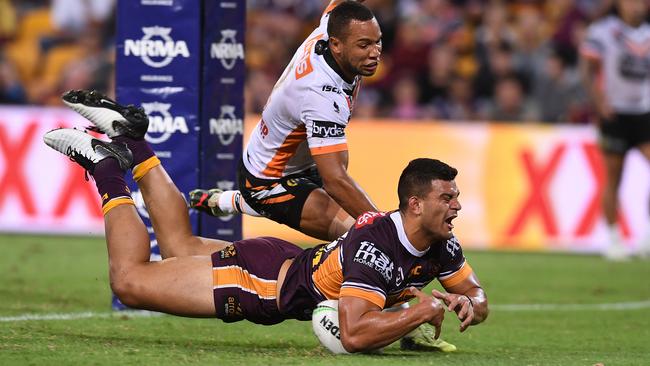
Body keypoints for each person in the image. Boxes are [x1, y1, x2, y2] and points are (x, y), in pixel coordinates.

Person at [42, 104, 488, 353]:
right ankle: (106, 168)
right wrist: (420, 311)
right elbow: (351, 335)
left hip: (281, 261)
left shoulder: (440, 245)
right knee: (130, 281)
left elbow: (476, 295)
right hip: (260, 284)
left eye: (455, 197)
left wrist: (469, 302)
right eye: (446, 199)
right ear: (414, 204)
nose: (457, 206)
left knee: (179, 244)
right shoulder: (377, 248)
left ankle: (133, 141)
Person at [189, 0, 380, 243]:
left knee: (369, 224)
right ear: (337, 45)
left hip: (300, 163)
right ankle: (248, 200)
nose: (374, 52)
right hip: (269, 181)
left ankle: (224, 201)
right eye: (364, 45)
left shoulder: (330, 27)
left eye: (378, 41)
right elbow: (335, 181)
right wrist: (388, 229)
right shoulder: (321, 95)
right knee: (367, 237)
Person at [580, 0, 650, 260]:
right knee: (614, 178)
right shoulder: (603, 32)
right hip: (615, 114)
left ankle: (647, 237)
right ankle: (612, 238)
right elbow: (587, 70)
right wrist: (599, 104)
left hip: (644, 112)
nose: (636, 6)